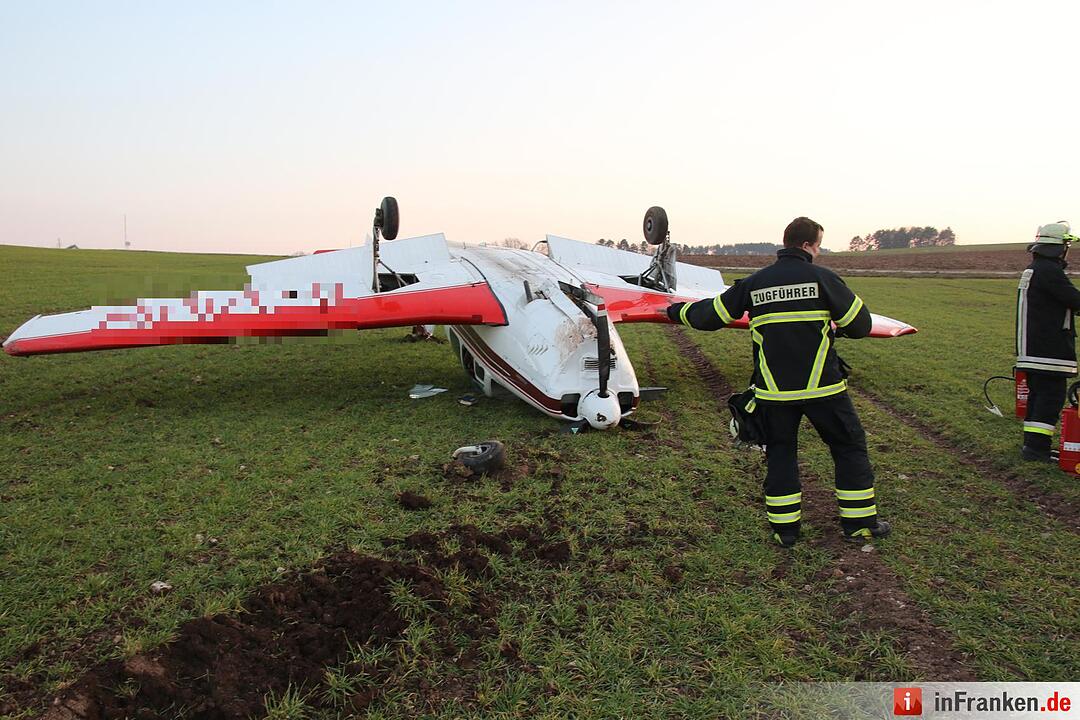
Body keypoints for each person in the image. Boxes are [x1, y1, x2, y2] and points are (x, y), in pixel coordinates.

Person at [666, 217, 890, 547]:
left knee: (781, 454)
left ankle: (785, 531)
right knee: (848, 448)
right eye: (818, 244)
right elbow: (860, 325)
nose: (818, 250)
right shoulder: (823, 279)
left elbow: (710, 317)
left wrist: (674, 311)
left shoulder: (756, 282)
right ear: (807, 245)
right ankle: (859, 525)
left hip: (774, 393)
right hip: (825, 391)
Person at [1016, 221, 1080, 462]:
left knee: (1038, 396)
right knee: (1050, 398)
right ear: (1059, 247)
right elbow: (1074, 299)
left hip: (1033, 348)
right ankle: (1036, 449)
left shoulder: (1036, 268)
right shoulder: (1049, 271)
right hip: (1047, 348)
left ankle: (1033, 446)